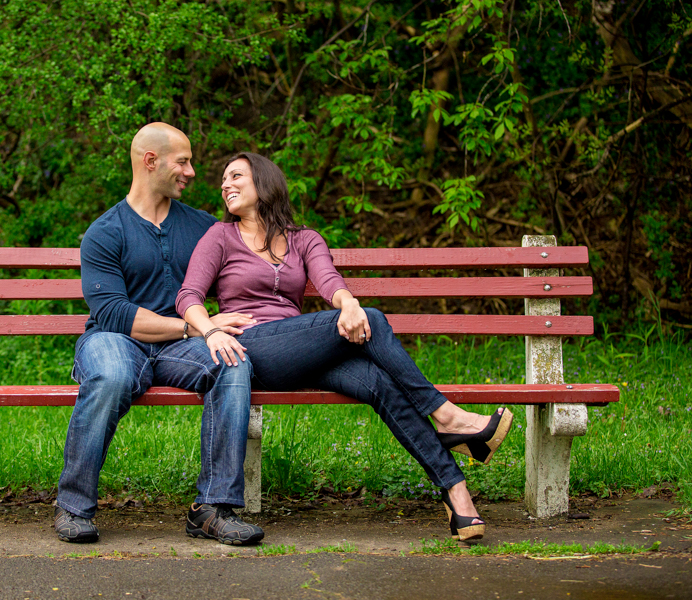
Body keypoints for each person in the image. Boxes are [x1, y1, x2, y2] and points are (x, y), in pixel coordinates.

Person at [175, 152, 513, 541]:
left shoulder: (304, 239)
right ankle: (448, 416)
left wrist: (349, 304)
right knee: (376, 320)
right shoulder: (219, 236)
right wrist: (211, 330)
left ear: (263, 183)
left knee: (383, 384)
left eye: (236, 176)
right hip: (251, 349)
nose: (225, 185)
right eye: (223, 180)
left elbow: (328, 278)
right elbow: (189, 297)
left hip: (302, 352)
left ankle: (457, 495)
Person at [56, 124, 264, 546]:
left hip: (182, 349)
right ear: (150, 161)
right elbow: (112, 312)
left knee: (232, 362)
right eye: (183, 161)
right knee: (111, 376)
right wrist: (195, 326)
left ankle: (212, 509)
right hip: (115, 341)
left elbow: (252, 264)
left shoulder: (203, 227)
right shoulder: (105, 231)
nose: (191, 171)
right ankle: (73, 506)